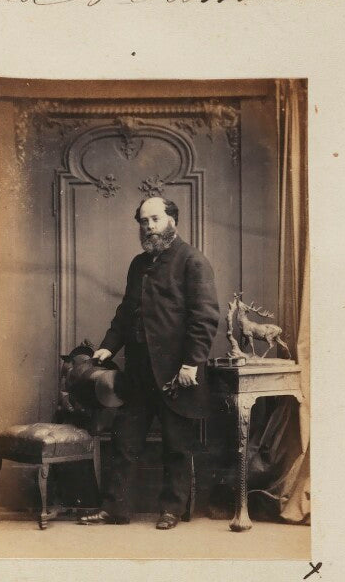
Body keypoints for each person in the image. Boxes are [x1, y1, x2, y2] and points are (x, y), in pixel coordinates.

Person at [78, 196, 220, 529]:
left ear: (173, 220)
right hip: (140, 373)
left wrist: (191, 364)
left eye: (155, 219)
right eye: (144, 221)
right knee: (125, 442)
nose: (149, 227)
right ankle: (115, 509)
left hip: (177, 374)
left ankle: (171, 510)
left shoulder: (193, 261)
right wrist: (108, 347)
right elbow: (126, 312)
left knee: (176, 445)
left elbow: (204, 318)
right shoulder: (138, 264)